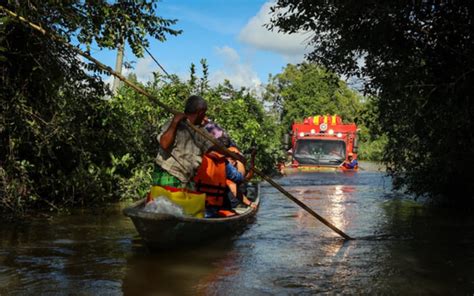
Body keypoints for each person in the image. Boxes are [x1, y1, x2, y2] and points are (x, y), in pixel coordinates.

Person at [153, 95, 213, 190]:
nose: (205, 116)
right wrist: (175, 122)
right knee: (166, 204)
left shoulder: (202, 132)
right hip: (167, 173)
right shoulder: (173, 123)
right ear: (200, 112)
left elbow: (213, 146)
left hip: (186, 178)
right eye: (204, 113)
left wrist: (232, 154)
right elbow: (164, 144)